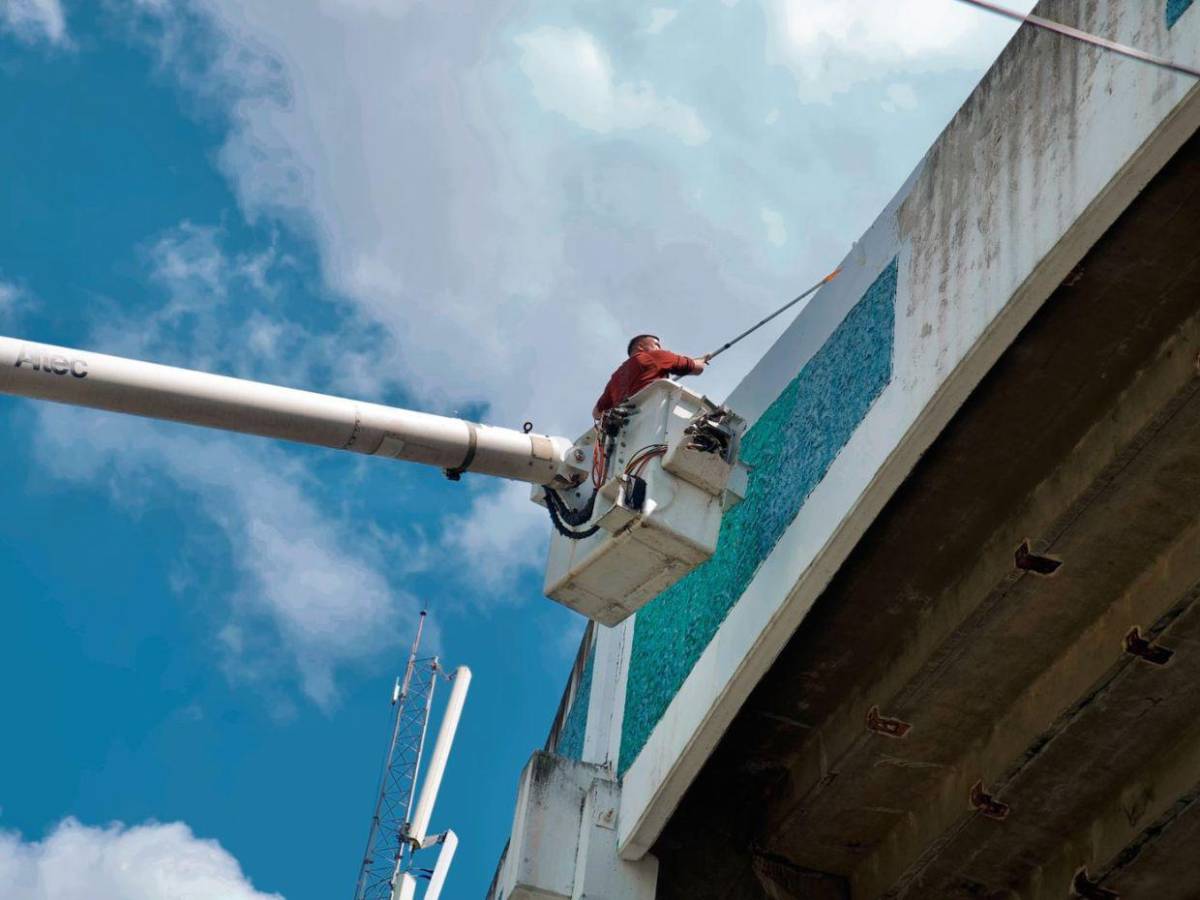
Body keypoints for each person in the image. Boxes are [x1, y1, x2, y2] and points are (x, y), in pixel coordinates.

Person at [592, 334, 709, 420]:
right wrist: (702, 360)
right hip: (655, 415)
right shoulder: (654, 356)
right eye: (656, 345)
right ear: (641, 347)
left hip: (625, 428)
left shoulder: (615, 378)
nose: (660, 349)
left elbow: (596, 413)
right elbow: (697, 368)